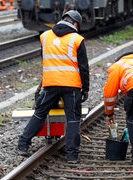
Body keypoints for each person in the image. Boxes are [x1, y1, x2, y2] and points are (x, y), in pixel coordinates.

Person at [17, 10, 89, 164]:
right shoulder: (77, 39)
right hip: (71, 86)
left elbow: (45, 59)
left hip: (50, 84)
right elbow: (84, 67)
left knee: (39, 114)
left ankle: (23, 145)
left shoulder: (45, 36)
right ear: (75, 24)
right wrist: (86, 88)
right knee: (73, 119)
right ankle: (72, 155)